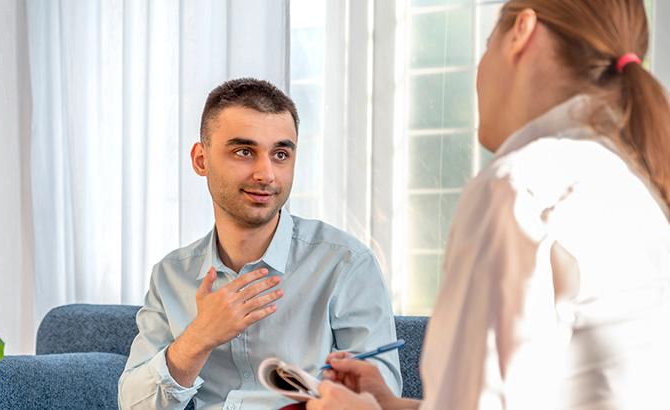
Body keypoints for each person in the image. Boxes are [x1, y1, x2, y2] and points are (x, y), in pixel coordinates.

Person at [306, 0, 670, 409]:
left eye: (485, 45)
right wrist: (389, 405)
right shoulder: (631, 187)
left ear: (522, 31)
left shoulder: (518, 187)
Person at [117, 78, 402, 410]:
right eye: (244, 151)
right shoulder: (171, 276)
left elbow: (380, 401)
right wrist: (198, 338)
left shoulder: (346, 265)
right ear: (201, 160)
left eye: (280, 154)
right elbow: (133, 405)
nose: (266, 173)